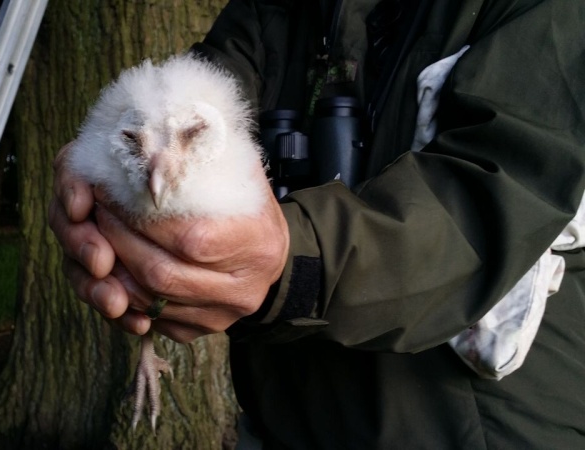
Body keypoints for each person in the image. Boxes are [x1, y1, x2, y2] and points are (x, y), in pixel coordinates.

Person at [49, 0, 585, 447]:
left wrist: (293, 265)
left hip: (474, 425)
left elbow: (495, 194)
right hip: (281, 417)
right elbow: (197, 93)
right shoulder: (274, 5)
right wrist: (106, 161)